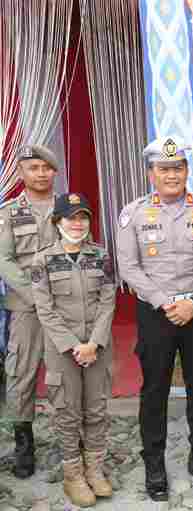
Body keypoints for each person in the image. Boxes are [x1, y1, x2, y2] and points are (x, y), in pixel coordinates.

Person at [116, 136, 193, 501]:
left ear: (187, 170)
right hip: (156, 313)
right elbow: (129, 267)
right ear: (151, 173)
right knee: (154, 390)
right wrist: (165, 302)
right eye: (164, 169)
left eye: (177, 167)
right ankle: (154, 464)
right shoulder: (134, 213)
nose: (171, 175)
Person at [30, 193, 116, 507]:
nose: (77, 224)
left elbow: (108, 302)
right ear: (57, 222)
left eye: (83, 217)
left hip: (97, 346)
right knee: (67, 412)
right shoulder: (42, 260)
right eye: (71, 218)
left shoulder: (101, 256)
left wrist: (93, 343)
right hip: (62, 350)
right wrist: (74, 346)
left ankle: (94, 468)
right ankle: (73, 475)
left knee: (96, 408)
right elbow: (45, 309)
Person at [0, 144, 60, 478]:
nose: (40, 173)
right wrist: (34, 295)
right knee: (21, 372)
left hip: (64, 305)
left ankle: (72, 438)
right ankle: (24, 443)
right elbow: (4, 259)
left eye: (46, 168)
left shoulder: (68, 208)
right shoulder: (9, 212)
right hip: (27, 307)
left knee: (66, 372)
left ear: (54, 172)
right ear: (21, 172)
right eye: (33, 167)